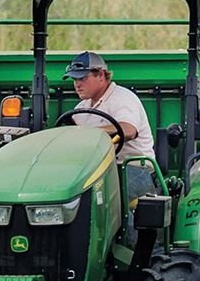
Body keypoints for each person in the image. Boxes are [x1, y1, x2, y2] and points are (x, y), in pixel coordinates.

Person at [62, 51, 157, 207]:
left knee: (108, 199)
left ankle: (127, 223)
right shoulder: (81, 109)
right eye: (75, 79)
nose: (77, 84)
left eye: (82, 78)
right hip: (97, 171)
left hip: (133, 168)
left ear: (100, 75)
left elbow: (129, 130)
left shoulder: (123, 98)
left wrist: (92, 134)